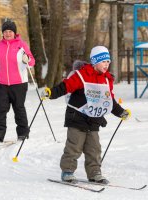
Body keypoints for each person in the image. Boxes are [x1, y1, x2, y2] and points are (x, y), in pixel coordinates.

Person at [42, 46, 131, 184]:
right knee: (74, 146)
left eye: (108, 62)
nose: (106, 64)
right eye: (103, 62)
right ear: (95, 62)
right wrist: (51, 93)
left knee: (94, 148)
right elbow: (66, 86)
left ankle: (94, 172)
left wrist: (121, 112)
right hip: (77, 116)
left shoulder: (107, 79)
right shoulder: (81, 75)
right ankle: (67, 171)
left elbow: (109, 101)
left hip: (94, 119)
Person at [0, 19, 35, 143]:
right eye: (5, 31)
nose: (8, 33)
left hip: (19, 84)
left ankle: (23, 134)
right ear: (2, 33)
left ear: (14, 33)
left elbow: (32, 62)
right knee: (0, 110)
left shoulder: (21, 45)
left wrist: (27, 59)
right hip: (1, 84)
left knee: (19, 108)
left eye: (10, 31)